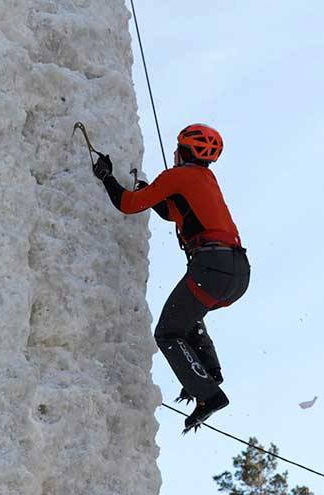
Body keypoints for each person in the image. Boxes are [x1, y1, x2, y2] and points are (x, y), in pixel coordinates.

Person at [92, 123, 250, 433]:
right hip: (237, 272)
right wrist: (148, 190)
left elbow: (127, 205)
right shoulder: (205, 179)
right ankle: (208, 374)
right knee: (187, 317)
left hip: (211, 266)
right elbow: (173, 212)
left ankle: (208, 394)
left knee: (167, 333)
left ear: (181, 151)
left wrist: (106, 177)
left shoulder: (177, 175)